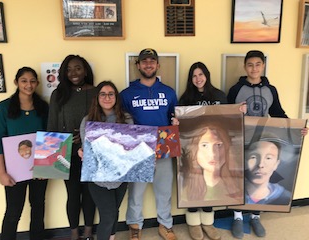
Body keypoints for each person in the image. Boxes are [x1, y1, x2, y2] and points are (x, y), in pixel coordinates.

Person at [227, 50, 307, 239]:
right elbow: (227, 115)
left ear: (263, 66)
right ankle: (237, 217)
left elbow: (279, 114)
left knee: (262, 178)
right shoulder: (235, 90)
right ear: (245, 66)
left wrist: (297, 129)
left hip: (262, 141)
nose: (254, 68)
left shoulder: (271, 90)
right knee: (240, 178)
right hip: (241, 141)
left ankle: (255, 215)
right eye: (250, 64)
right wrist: (237, 111)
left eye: (257, 64)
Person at [120, 48, 178, 240]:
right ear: (138, 65)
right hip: (139, 148)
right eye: (144, 61)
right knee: (136, 191)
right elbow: (122, 122)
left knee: (164, 189)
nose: (148, 64)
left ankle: (166, 224)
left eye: (152, 61)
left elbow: (174, 117)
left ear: (157, 65)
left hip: (164, 146)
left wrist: (177, 123)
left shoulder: (169, 92)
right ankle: (135, 226)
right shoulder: (127, 94)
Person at [0, 67, 49, 240]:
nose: (29, 85)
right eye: (24, 81)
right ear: (16, 82)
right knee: (13, 211)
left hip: (39, 168)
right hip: (13, 171)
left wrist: (47, 168)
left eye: (32, 81)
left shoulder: (43, 107)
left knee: (38, 207)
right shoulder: (4, 107)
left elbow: (49, 136)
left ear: (37, 83)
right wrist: (1, 173)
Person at [176, 62, 229, 240]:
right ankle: (193, 223)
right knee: (193, 182)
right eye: (194, 76)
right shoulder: (185, 98)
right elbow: (181, 123)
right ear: (191, 79)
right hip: (193, 149)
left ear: (207, 75)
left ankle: (208, 222)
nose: (198, 79)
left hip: (214, 148)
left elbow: (229, 118)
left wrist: (240, 111)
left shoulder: (219, 95)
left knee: (210, 182)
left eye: (201, 74)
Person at [47, 55, 96, 240]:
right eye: (68, 69)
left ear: (85, 70)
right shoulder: (58, 94)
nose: (73, 73)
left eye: (78, 68)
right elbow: (52, 125)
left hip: (91, 152)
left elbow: (102, 121)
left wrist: (86, 136)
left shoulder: (96, 92)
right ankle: (74, 233)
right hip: (66, 152)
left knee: (90, 194)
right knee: (73, 194)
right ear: (63, 73)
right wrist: (49, 158)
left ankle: (89, 232)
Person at [78, 81, 133, 240]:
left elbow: (130, 148)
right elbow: (89, 150)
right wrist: (84, 153)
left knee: (114, 211)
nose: (107, 97)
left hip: (121, 177)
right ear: (97, 97)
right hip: (98, 178)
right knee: (108, 215)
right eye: (103, 94)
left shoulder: (127, 119)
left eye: (111, 94)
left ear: (116, 97)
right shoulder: (88, 121)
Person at [245, 133, 291, 205]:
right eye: (253, 157)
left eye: (268, 158)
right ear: (246, 160)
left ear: (276, 164)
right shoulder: (232, 192)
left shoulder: (285, 198)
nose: (260, 165)